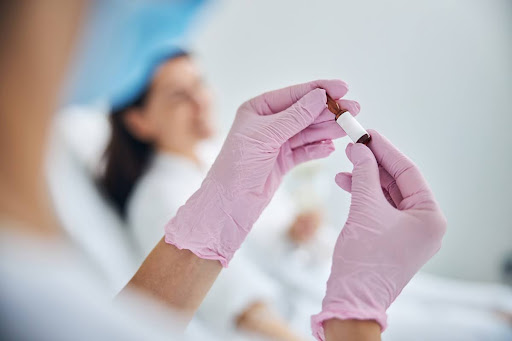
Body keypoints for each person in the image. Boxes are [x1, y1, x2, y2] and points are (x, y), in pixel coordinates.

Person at [0, 2, 447, 341]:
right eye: (179, 95)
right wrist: (357, 315)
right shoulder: (24, 297)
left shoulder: (35, 248)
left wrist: (219, 211)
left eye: (200, 86)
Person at [98, 51, 307, 340]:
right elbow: (241, 302)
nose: (201, 101)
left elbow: (271, 244)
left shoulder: (217, 158)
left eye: (200, 84)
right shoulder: (157, 198)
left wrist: (296, 235)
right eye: (179, 96)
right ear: (139, 120)